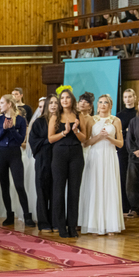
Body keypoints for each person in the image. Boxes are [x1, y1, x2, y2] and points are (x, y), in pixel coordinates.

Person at [78, 94, 125, 235]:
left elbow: (120, 143)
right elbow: (86, 143)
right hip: (95, 156)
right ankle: (94, 224)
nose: (102, 104)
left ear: (110, 105)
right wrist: (99, 136)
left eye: (105, 102)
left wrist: (109, 138)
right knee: (95, 187)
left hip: (110, 156)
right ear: (97, 105)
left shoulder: (116, 120)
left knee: (109, 188)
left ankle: (110, 225)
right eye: (100, 102)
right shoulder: (91, 120)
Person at [49, 87, 90, 238]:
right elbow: (50, 138)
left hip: (76, 154)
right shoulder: (55, 116)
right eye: (62, 98)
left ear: (72, 100)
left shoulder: (79, 116)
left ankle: (72, 226)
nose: (64, 100)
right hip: (59, 154)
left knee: (74, 191)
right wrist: (64, 132)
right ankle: (61, 227)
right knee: (59, 191)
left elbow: (85, 138)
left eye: (67, 97)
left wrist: (76, 131)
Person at [0, 94, 35, 227]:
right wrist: (4, 130)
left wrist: (11, 129)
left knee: (19, 185)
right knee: (4, 185)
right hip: (1, 153)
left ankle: (27, 215)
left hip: (15, 153)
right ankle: (9, 215)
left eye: (1, 102)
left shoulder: (21, 120)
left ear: (9, 104)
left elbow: (20, 139)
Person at [29, 95, 58, 232]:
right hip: (42, 159)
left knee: (56, 191)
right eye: (51, 103)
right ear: (47, 105)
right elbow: (33, 141)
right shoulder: (38, 122)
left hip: (58, 158)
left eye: (56, 103)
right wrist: (49, 140)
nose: (53, 105)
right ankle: (43, 222)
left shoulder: (61, 120)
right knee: (42, 190)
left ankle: (56, 221)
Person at [116, 89, 137, 214]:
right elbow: (117, 132)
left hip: (136, 148)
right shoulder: (119, 115)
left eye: (130, 96)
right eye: (125, 97)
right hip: (122, 148)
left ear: (134, 97)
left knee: (135, 178)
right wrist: (126, 132)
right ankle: (124, 206)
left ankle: (135, 207)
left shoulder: (138, 113)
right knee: (123, 176)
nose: (128, 99)